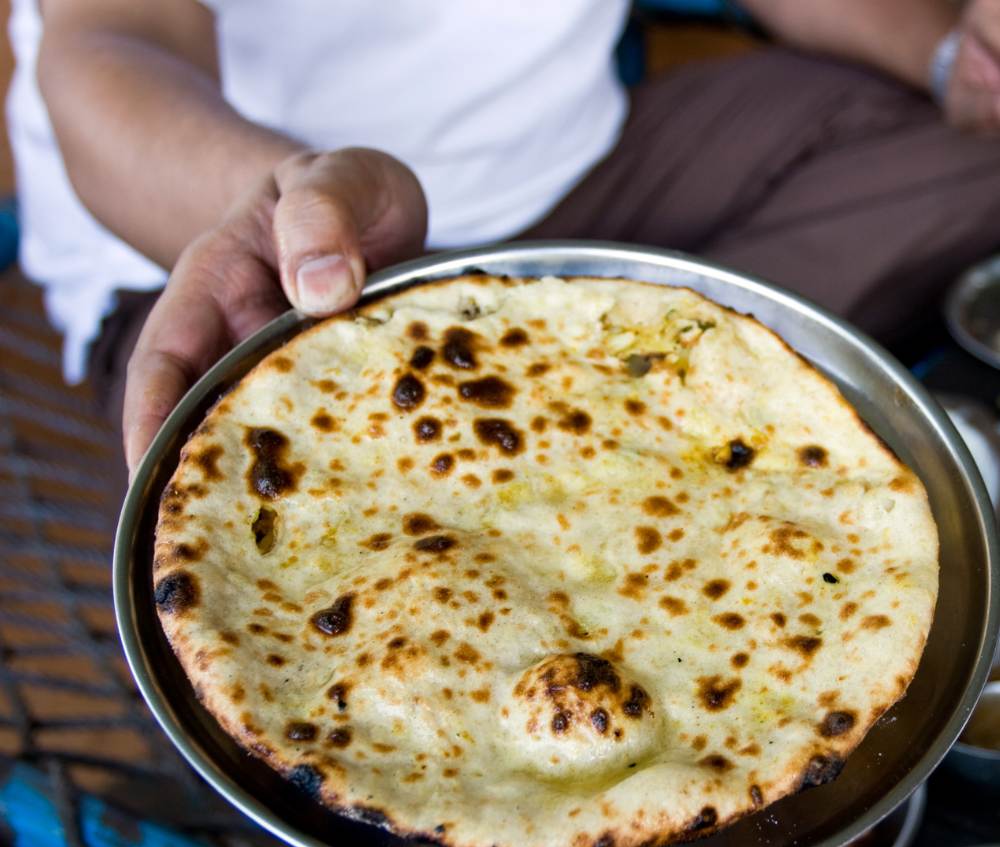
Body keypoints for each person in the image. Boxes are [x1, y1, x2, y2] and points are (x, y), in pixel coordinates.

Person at [8, 0, 1000, 485]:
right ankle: (636, 429)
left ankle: (608, 427)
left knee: (971, 156)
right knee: (292, 640)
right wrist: (273, 199)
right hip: (264, 245)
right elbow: (111, 40)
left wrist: (952, 58)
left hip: (585, 167)